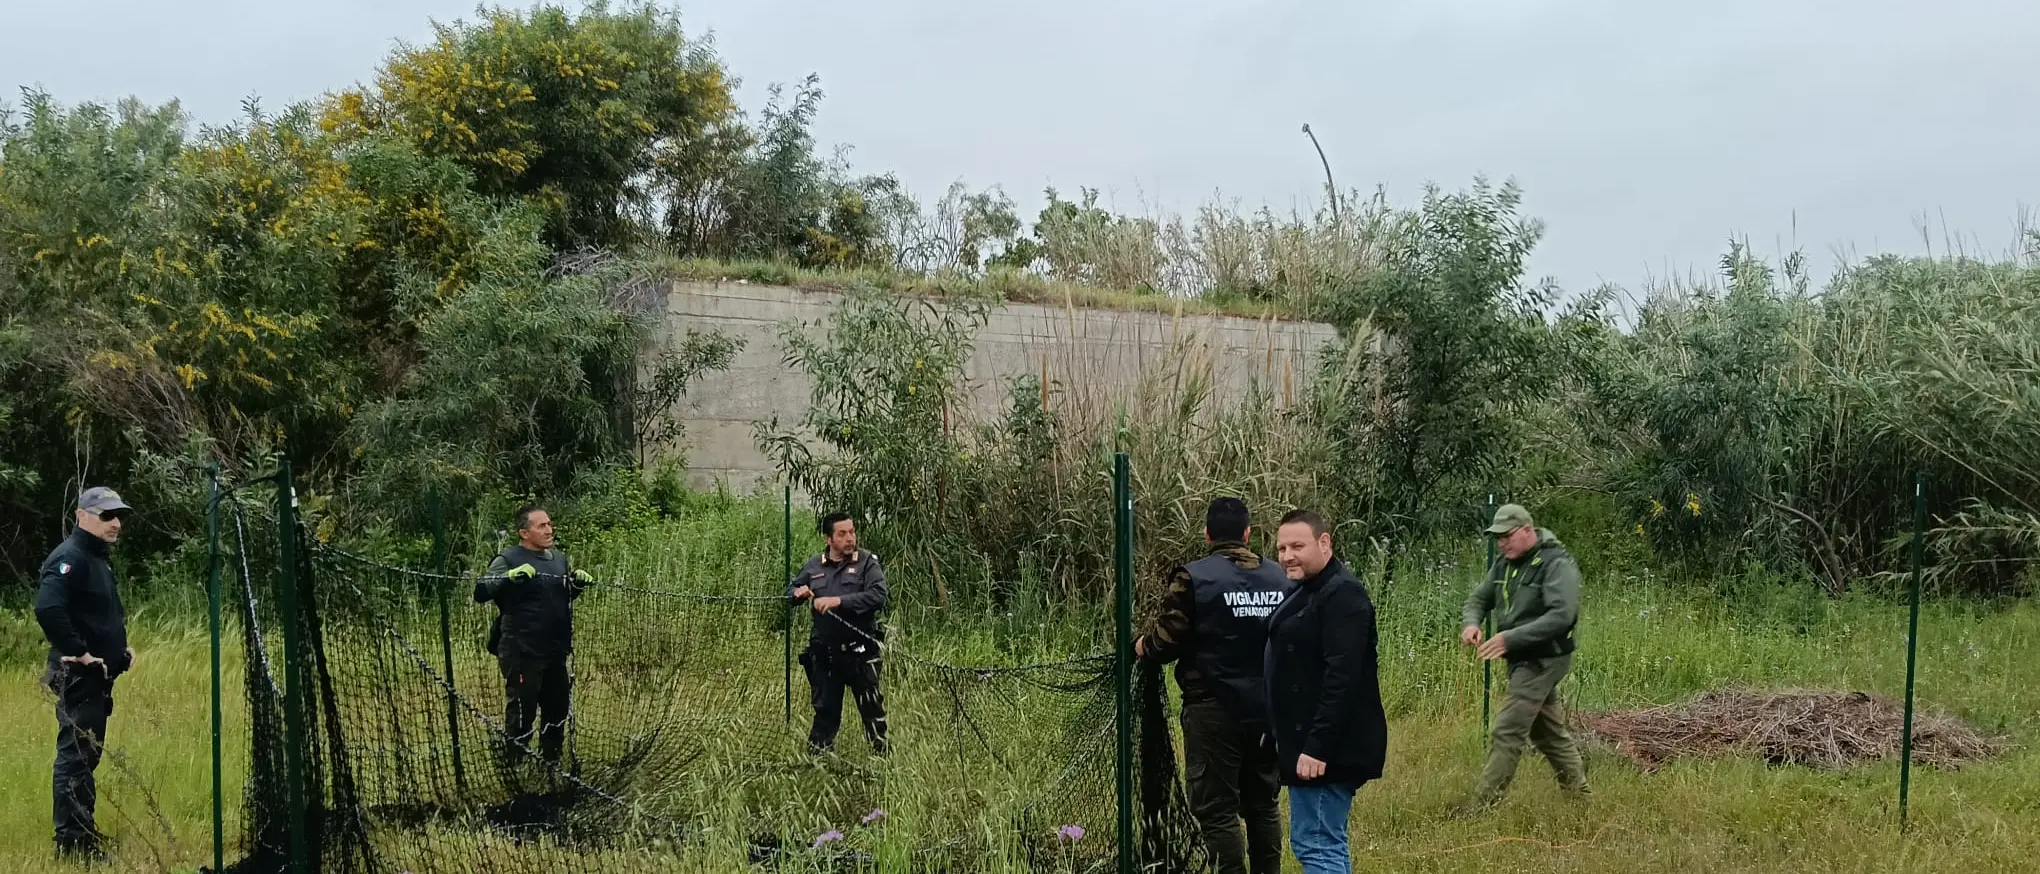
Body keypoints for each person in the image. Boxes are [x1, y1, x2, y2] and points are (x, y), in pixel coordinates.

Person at [1134, 497, 1291, 874]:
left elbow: (1165, 642)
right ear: (1248, 533)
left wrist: (1140, 645)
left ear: (1207, 535)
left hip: (1213, 709)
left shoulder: (1193, 577)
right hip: (1267, 709)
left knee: (1217, 809)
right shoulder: (1280, 578)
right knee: (1262, 804)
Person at [1263, 508, 1386, 874]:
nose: (1287, 556)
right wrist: (1273, 725)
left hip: (1328, 749)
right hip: (1303, 739)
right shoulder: (1308, 590)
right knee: (1319, 840)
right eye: (1282, 548)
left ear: (1324, 542)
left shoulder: (1343, 595)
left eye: (1297, 546)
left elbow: (1342, 678)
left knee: (1317, 843)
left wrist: (1317, 747)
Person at [1456, 502, 1589, 812]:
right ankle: (1581, 803)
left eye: (1507, 536)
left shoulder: (1556, 564)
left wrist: (1509, 638)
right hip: (1520, 658)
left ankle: (1480, 809)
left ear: (1528, 530)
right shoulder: (1504, 565)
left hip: (1543, 659)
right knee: (1548, 734)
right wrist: (1471, 623)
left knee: (1507, 730)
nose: (1502, 543)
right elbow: (1479, 598)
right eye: (1497, 538)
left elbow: (1562, 615)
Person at [34, 486, 137, 861]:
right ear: (82, 516)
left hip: (97, 679)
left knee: (86, 757)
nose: (116, 523)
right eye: (106, 515)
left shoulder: (96, 558)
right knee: (75, 758)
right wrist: (80, 653)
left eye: (118, 516)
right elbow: (48, 609)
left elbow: (95, 614)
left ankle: (83, 834)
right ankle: (74, 846)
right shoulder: (70, 557)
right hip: (77, 677)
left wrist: (118, 652)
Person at [474, 504, 591, 766]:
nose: (549, 530)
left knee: (557, 707)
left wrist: (576, 586)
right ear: (524, 533)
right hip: (522, 648)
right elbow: (480, 592)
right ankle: (515, 763)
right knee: (523, 708)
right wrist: (507, 578)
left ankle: (551, 762)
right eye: (542, 526)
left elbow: (558, 597)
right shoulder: (508, 559)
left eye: (550, 524)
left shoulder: (559, 560)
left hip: (555, 648)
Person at [787, 511, 889, 755]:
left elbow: (878, 595)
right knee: (825, 713)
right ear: (828, 539)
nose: (849, 538)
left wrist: (837, 601)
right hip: (826, 656)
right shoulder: (814, 566)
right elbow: (791, 588)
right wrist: (797, 593)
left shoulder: (866, 562)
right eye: (842, 534)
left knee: (872, 711)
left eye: (851, 532)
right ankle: (817, 764)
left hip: (861, 654)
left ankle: (883, 763)